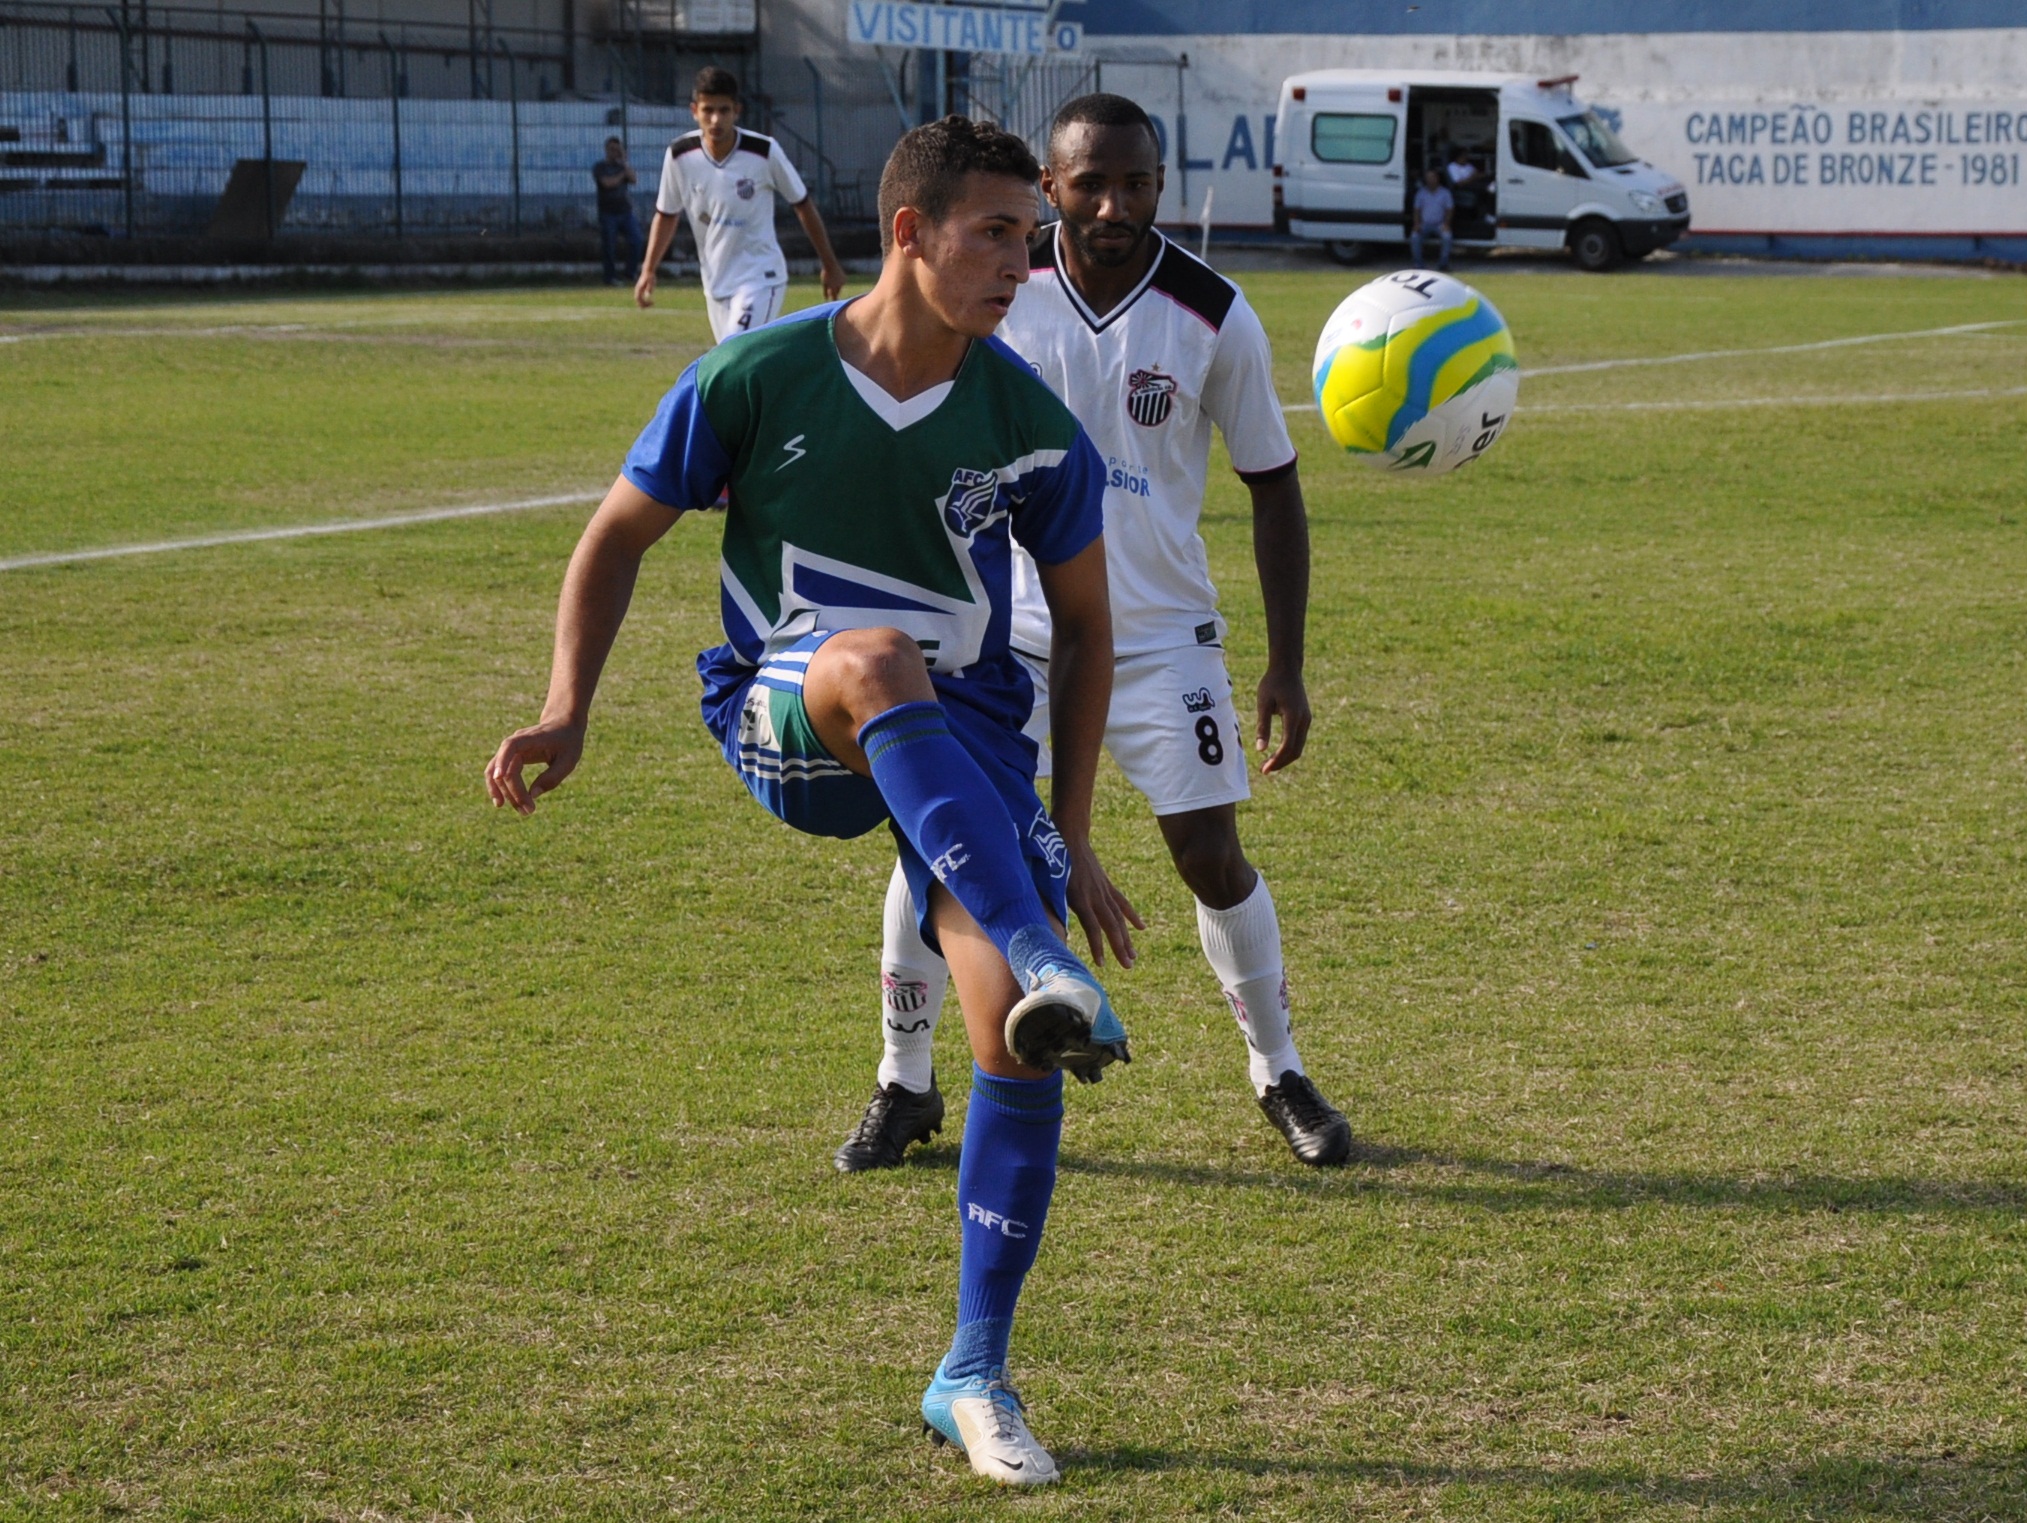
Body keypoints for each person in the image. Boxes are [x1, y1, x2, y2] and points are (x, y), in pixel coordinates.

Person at [487, 115, 1136, 1489]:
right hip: (787, 713)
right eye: (996, 233)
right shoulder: (753, 375)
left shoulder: (1025, 420)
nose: (1024, 261)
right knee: (872, 658)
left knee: (1015, 1047)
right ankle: (1031, 941)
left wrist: (1069, 825)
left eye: (1031, 236)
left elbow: (1084, 626)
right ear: (908, 232)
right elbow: (614, 533)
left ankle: (969, 1367)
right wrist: (567, 704)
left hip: (954, 746)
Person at [834, 92, 1353, 1176]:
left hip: (1162, 635)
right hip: (1001, 635)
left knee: (1211, 856)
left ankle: (1280, 1069)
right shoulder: (996, 294)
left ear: (1161, 186)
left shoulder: (1214, 313)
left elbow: (1273, 485)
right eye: (1089, 184)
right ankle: (904, 1078)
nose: (1115, 204)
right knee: (941, 851)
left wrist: (1287, 662)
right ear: (1050, 190)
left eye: (1137, 183)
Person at [634, 66, 847, 341]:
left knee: (732, 354)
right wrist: (648, 270)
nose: (715, 120)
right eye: (708, 110)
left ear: (737, 110)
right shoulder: (679, 155)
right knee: (738, 370)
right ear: (694, 111)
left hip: (761, 276)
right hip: (715, 282)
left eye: (723, 110)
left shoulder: (763, 151)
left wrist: (830, 264)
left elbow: (802, 204)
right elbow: (666, 214)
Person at [592, 136, 642, 287]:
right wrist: (622, 175)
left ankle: (630, 272)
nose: (615, 153)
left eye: (617, 150)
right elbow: (607, 183)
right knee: (609, 246)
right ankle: (610, 277)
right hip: (608, 213)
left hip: (625, 211)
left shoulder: (623, 167)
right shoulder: (600, 167)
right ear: (607, 150)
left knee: (637, 240)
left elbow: (634, 180)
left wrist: (624, 163)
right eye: (612, 150)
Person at [1412, 167, 1454, 271]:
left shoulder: (1445, 193)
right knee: (1414, 237)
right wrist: (1417, 224)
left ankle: (1443, 265)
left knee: (1447, 237)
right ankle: (1418, 264)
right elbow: (1416, 210)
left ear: (1437, 178)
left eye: (1432, 177)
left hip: (1440, 224)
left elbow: (1450, 210)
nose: (1430, 180)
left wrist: (1446, 224)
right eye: (1428, 178)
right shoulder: (1421, 193)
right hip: (1424, 224)